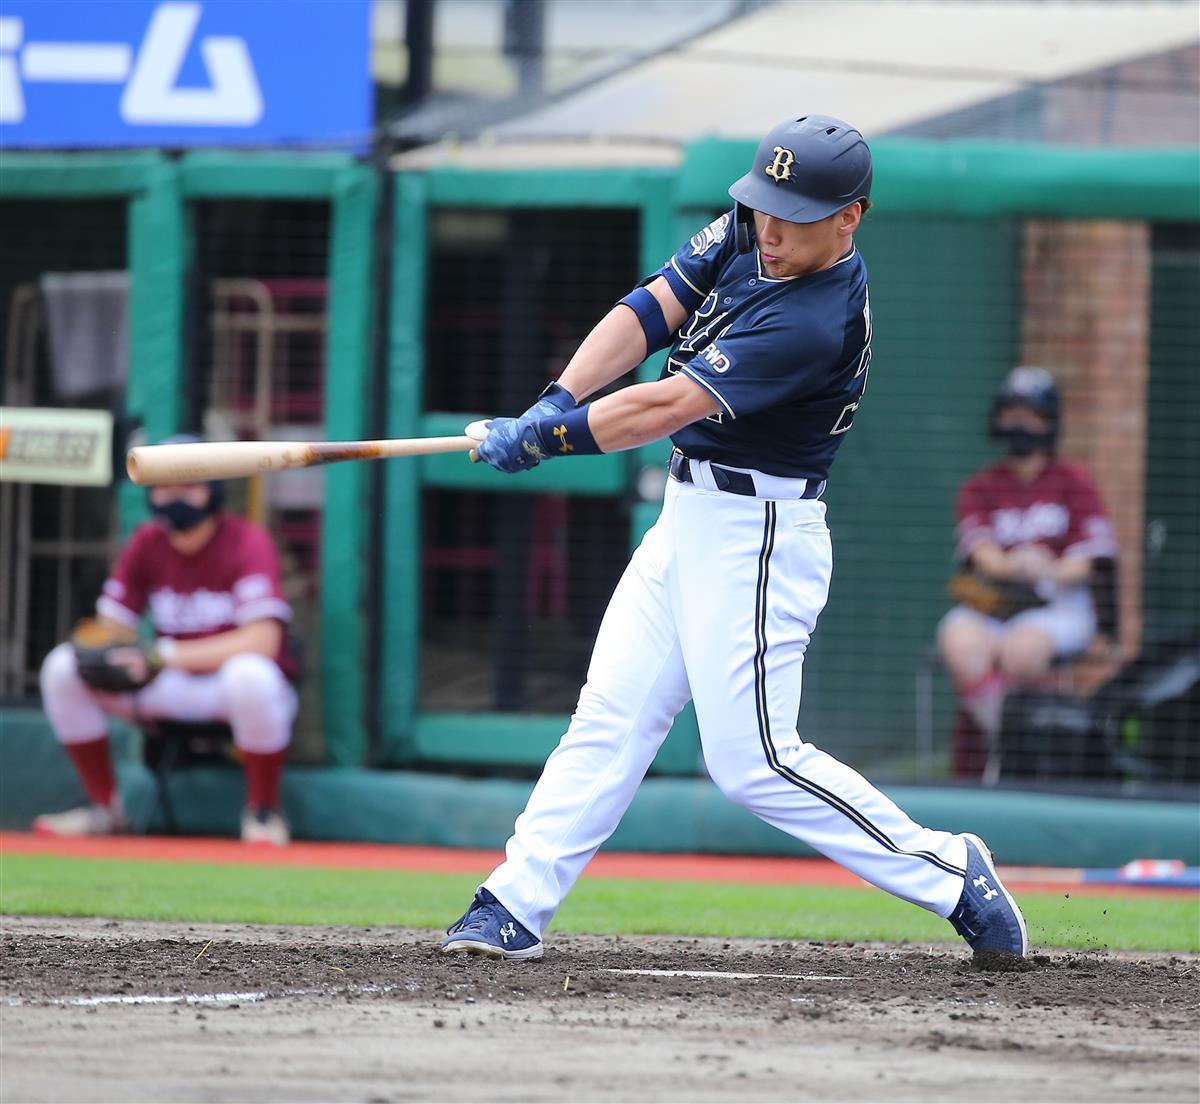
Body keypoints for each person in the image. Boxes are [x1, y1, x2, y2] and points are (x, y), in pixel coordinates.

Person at [439, 115, 1027, 964]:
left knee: (753, 760)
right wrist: (555, 395)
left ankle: (947, 868)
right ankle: (514, 902)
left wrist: (548, 439)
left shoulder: (817, 319)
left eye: (794, 211)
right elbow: (651, 308)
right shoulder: (758, 230)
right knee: (611, 712)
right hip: (687, 519)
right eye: (765, 203)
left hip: (757, 538)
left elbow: (666, 406)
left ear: (850, 217)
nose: (772, 225)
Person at [33, 436, 297, 845]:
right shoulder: (147, 542)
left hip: (224, 687)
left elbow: (263, 642)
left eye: (187, 485)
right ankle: (106, 809)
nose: (174, 495)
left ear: (212, 490)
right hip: (163, 685)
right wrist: (111, 652)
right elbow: (111, 626)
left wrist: (161, 655)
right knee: (63, 667)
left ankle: (263, 812)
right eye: (165, 484)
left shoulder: (247, 540)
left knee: (252, 676)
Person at [938, 367, 1117, 780]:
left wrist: (1049, 567)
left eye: (1031, 415)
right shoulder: (980, 486)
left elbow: (1090, 559)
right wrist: (1014, 561)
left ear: (1049, 422)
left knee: (1020, 651)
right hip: (997, 602)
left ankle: (1011, 756)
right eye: (1011, 414)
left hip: (1058, 603)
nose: (1020, 424)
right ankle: (1009, 741)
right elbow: (982, 555)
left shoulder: (1075, 483)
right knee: (959, 640)